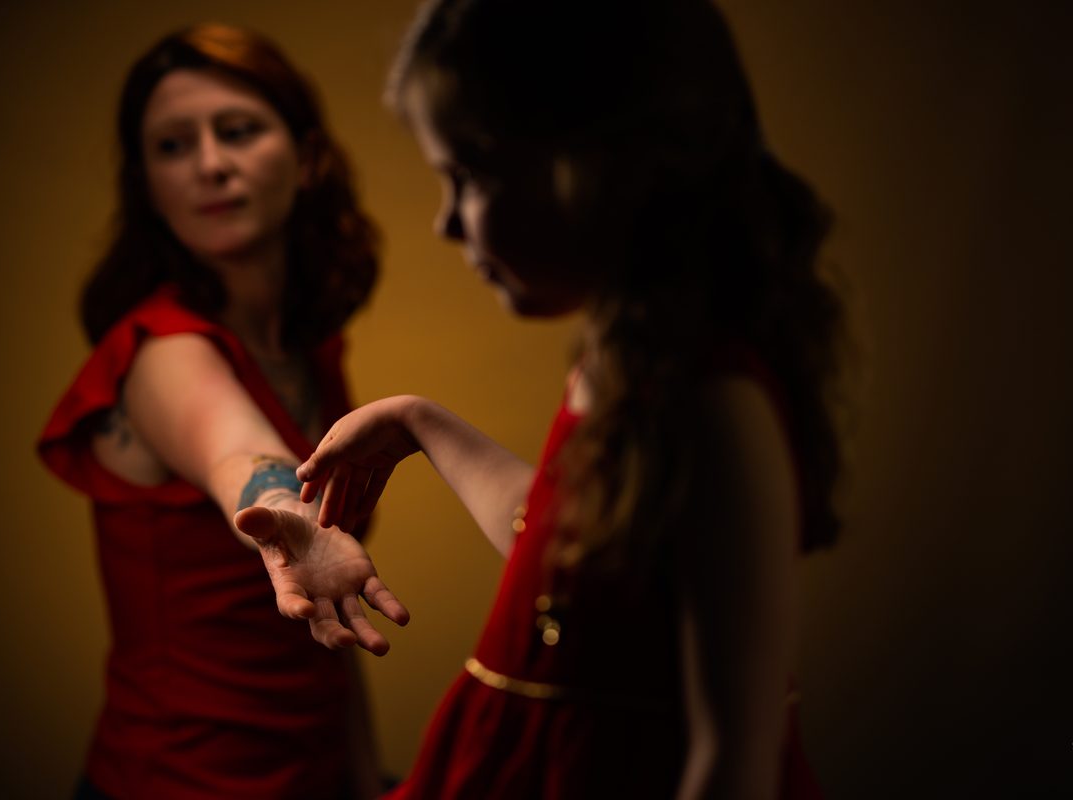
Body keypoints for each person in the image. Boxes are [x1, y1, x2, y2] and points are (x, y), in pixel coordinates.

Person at [237, 0, 845, 796]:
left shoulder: (716, 405)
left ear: (599, 160)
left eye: (472, 176)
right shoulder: (624, 361)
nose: (449, 222)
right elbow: (570, 553)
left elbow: (734, 762)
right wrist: (416, 420)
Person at [38, 24, 408, 800]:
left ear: (306, 161)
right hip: (178, 782)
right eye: (172, 147)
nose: (209, 164)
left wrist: (364, 779)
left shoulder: (311, 350)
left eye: (237, 132)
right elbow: (238, 453)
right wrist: (279, 505)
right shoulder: (159, 352)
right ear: (148, 186)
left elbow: (328, 617)